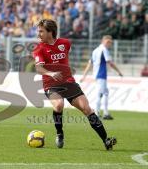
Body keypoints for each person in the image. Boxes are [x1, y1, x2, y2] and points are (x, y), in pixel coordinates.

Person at [32, 19, 116, 150]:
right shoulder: (39, 48)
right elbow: (39, 68)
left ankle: (106, 140)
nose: (38, 34)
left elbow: (64, 58)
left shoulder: (65, 43)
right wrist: (50, 73)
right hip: (51, 85)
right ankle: (59, 133)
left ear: (50, 32)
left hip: (69, 83)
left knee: (87, 109)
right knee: (59, 105)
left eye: (41, 31)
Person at [80, 35, 123, 120]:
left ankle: (105, 112)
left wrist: (84, 76)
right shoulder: (104, 49)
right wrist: (119, 71)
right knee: (100, 94)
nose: (109, 44)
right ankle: (97, 113)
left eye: (110, 43)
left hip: (97, 75)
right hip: (101, 74)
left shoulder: (95, 50)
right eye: (108, 42)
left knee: (105, 92)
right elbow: (110, 62)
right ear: (103, 41)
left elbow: (90, 64)